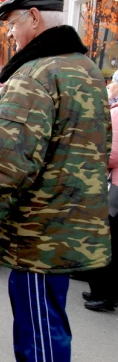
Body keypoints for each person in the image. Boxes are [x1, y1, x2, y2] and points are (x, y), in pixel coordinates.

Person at [0, 0, 111, 362]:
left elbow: (10, 161)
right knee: (49, 324)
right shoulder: (87, 69)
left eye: (12, 23)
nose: (9, 33)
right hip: (71, 222)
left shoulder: (33, 76)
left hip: (38, 233)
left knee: (39, 334)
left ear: (34, 17)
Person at [83, 76, 118, 311]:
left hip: (114, 187)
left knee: (105, 239)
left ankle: (104, 294)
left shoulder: (116, 112)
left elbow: (111, 153)